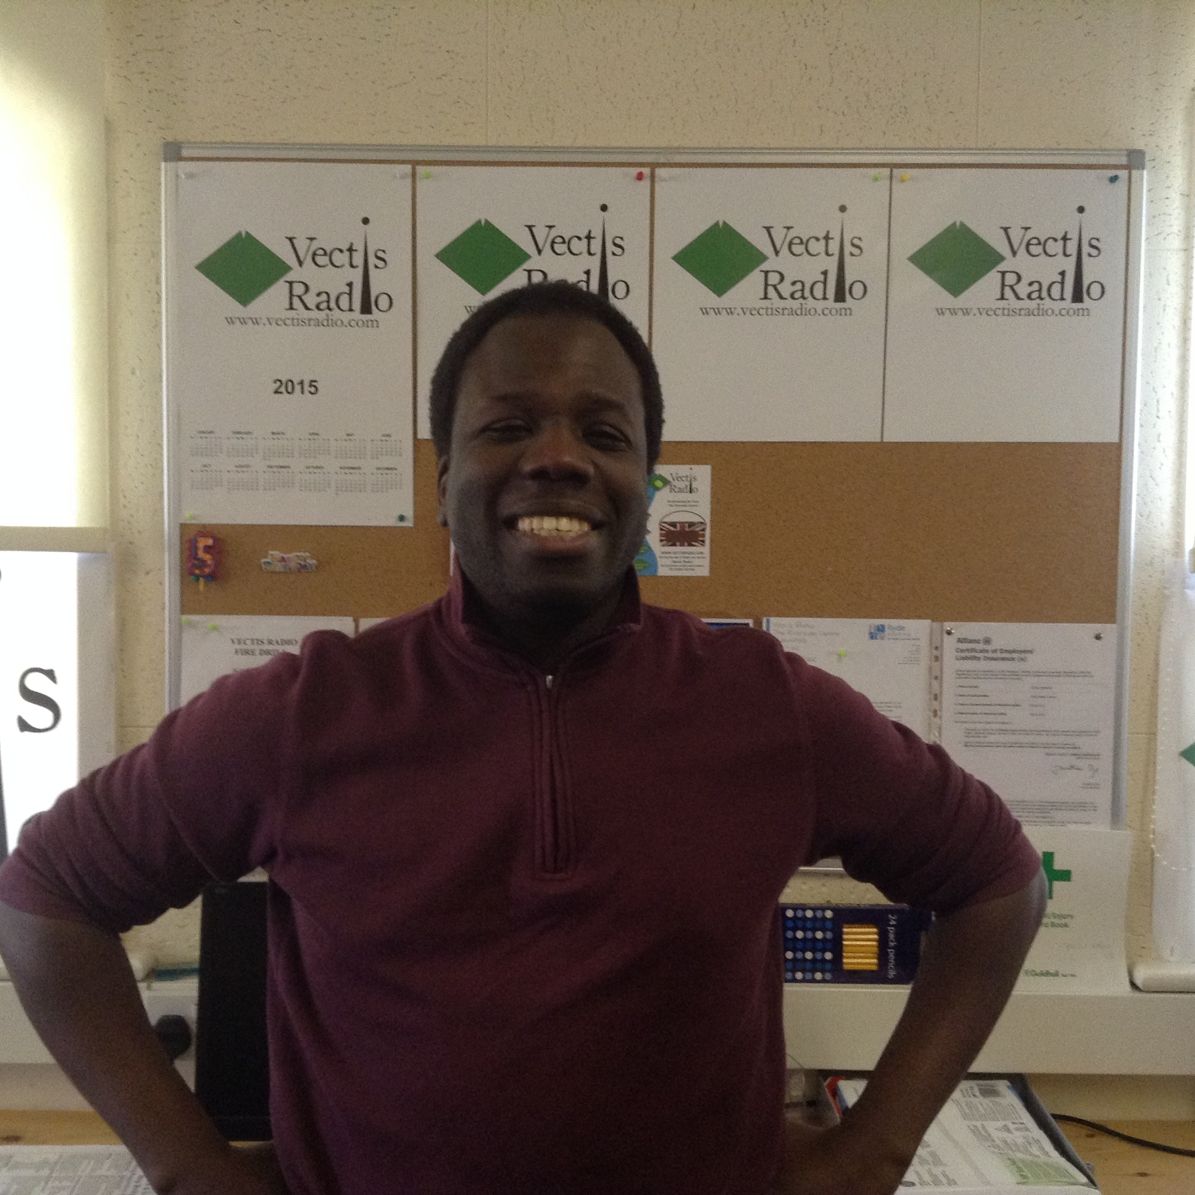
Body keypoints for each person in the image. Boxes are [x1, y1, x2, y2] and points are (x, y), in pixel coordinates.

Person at [0, 280, 1045, 1195]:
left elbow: (998, 880)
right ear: (441, 479)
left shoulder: (768, 706)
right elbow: (46, 896)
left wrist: (873, 1151)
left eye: (604, 434)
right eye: (507, 427)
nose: (557, 458)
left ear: (646, 486)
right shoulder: (304, 712)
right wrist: (192, 1171)